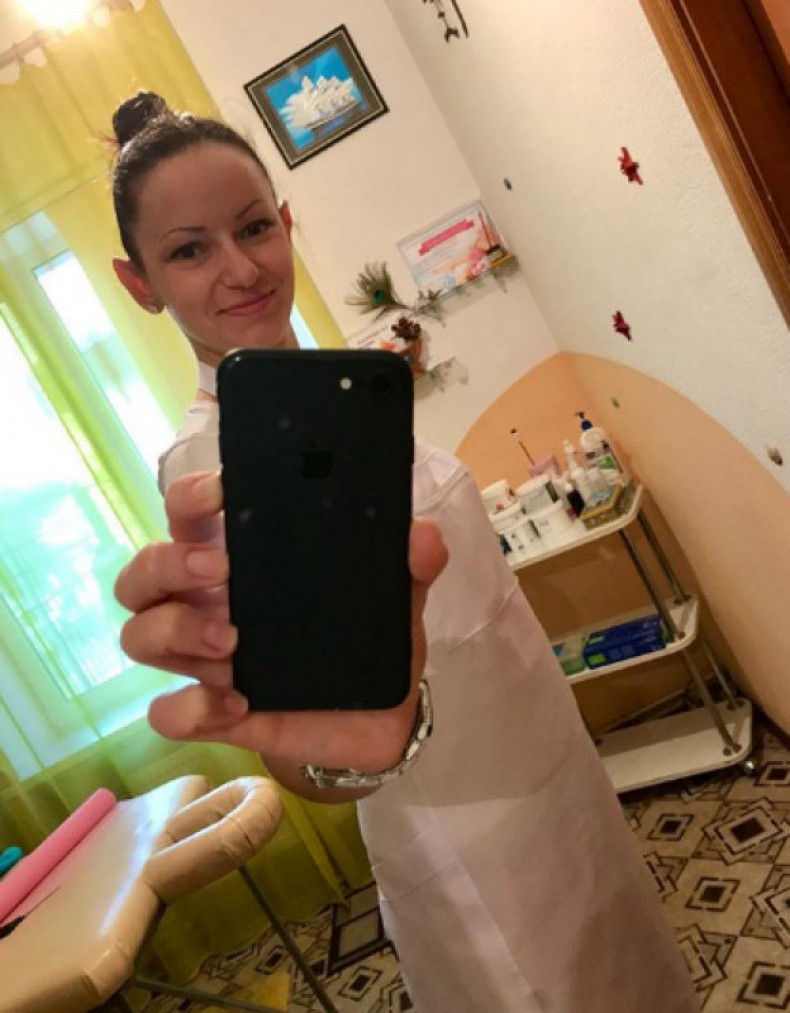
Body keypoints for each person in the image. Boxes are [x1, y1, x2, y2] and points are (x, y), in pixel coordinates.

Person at [110, 92, 699, 1012]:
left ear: (286, 224)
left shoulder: (346, 398)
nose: (240, 268)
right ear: (139, 282)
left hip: (552, 767)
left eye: (253, 227)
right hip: (465, 835)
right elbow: (310, 742)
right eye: (189, 250)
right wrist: (370, 748)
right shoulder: (212, 465)